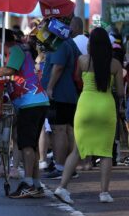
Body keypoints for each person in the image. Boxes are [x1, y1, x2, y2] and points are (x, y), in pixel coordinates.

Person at [0, 28, 49, 198]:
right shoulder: (6, 56)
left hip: (32, 102)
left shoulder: (16, 50)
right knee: (31, 146)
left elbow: (9, 71)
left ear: (1, 42)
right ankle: (36, 185)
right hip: (33, 102)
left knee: (26, 146)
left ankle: (28, 183)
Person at [54, 27, 126, 204]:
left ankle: (62, 187)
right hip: (105, 107)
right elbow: (120, 92)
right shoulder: (115, 64)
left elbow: (78, 77)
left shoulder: (83, 60)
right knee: (106, 152)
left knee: (78, 149)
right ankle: (104, 193)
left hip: (85, 105)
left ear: (90, 44)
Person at [41, 17, 84, 180]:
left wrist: (50, 87)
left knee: (59, 130)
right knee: (66, 130)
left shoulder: (59, 44)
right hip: (68, 94)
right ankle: (68, 167)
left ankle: (60, 167)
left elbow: (58, 67)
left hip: (59, 94)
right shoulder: (69, 43)